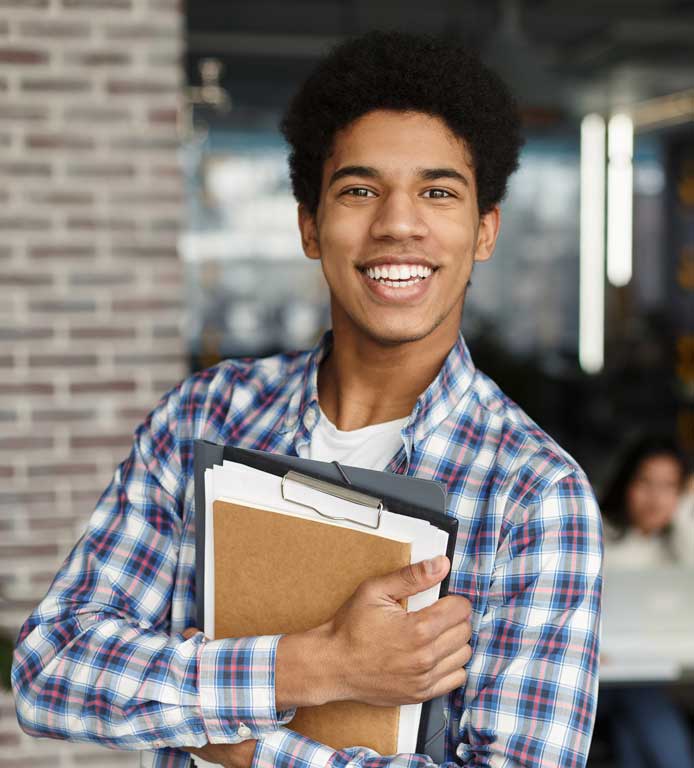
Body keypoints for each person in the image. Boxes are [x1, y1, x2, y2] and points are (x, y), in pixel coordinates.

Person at [11, 31, 602, 768]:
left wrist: (250, 747)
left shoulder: (535, 493)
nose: (397, 223)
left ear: (484, 232)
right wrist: (320, 665)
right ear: (309, 226)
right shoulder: (201, 417)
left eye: (438, 191)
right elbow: (50, 669)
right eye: (359, 189)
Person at [599, 435, 694, 768]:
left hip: (651, 675)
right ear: (627, 482)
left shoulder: (676, 547)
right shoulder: (597, 535)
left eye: (669, 487)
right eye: (646, 482)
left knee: (632, 731)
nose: (656, 498)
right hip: (598, 679)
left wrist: (683, 508)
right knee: (642, 702)